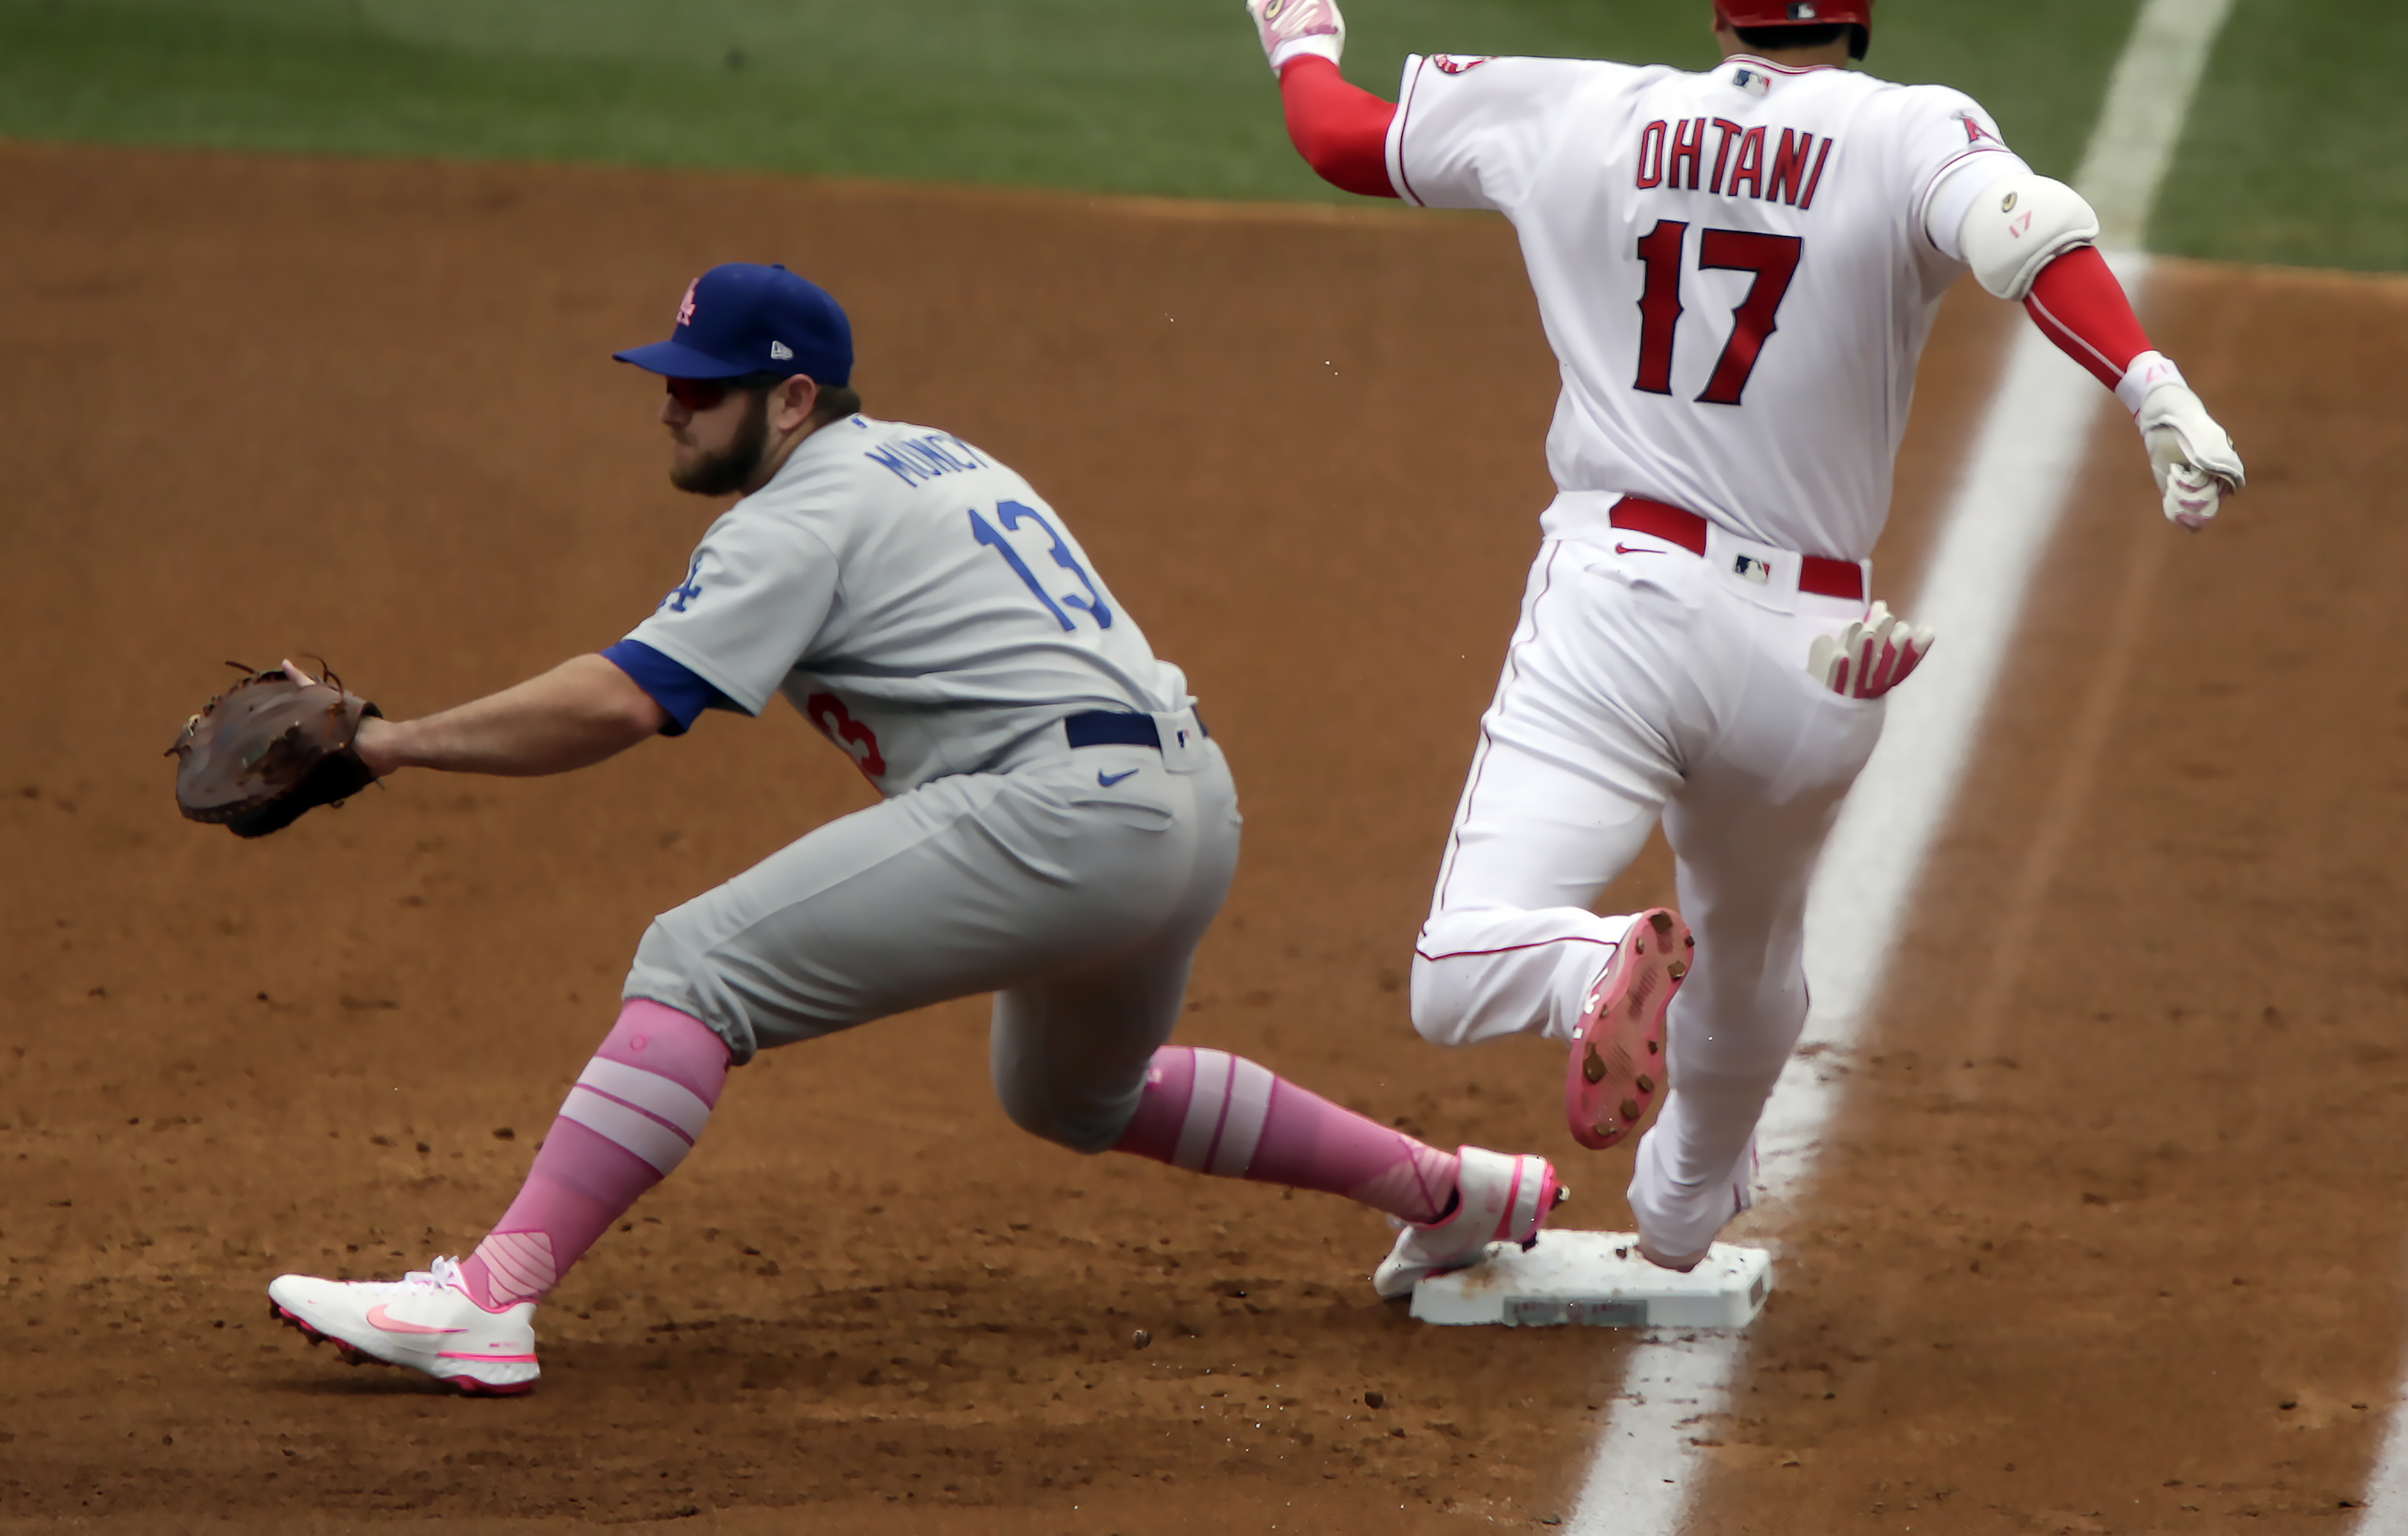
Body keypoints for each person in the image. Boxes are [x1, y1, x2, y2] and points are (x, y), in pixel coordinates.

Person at [262, 261, 1561, 1394]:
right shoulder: (937, 452)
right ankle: (1447, 1192)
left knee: (695, 965)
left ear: (792, 402)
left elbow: (621, 702)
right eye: (670, 378)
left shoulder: (800, 513)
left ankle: (490, 1298)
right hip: (1185, 809)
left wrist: (388, 740)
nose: (669, 402)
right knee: (1068, 1092)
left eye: (702, 387)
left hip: (1062, 818)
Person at [1241, 0, 2245, 1271]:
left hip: (1621, 603)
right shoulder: (1911, 129)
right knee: (1754, 946)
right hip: (1823, 647)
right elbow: (2029, 237)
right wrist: (2150, 387)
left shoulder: (1583, 110)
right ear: (1862, 0)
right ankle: (1683, 1200)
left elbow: (1346, 143)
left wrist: (1302, 41)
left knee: (1459, 968)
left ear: (1710, 3)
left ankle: (1595, 967)